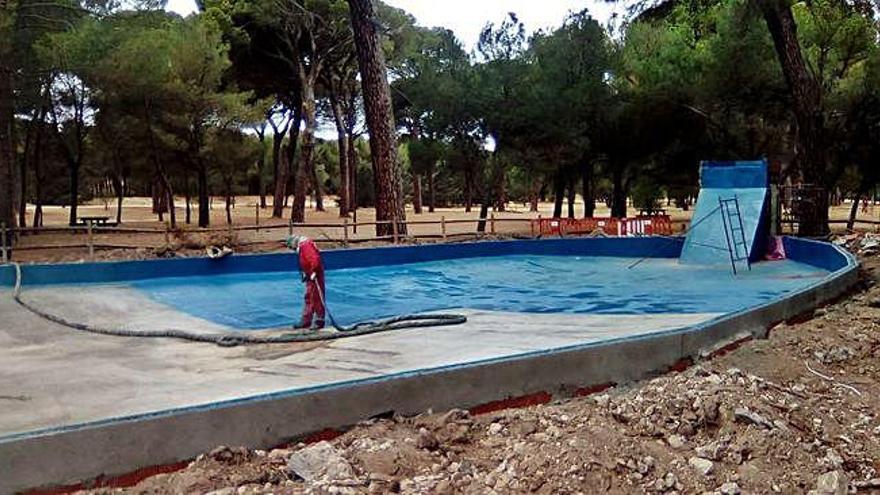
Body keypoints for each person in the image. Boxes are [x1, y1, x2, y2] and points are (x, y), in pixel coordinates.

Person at [286, 235, 326, 330]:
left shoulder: (306, 246)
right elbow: (305, 261)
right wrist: (304, 273)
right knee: (309, 297)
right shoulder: (303, 247)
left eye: (291, 247)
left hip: (315, 276)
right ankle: (306, 320)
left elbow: (314, 259)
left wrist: (314, 271)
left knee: (316, 297)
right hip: (309, 275)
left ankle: (319, 320)